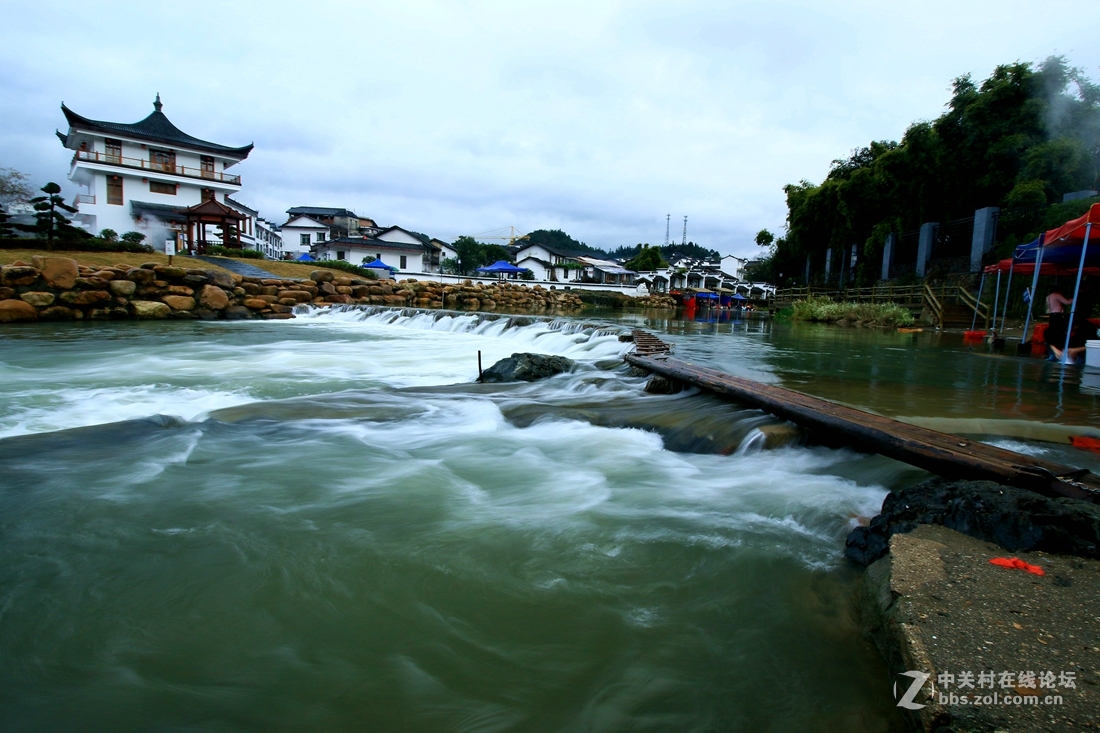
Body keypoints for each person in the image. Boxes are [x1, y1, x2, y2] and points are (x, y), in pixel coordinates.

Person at [1045, 287, 1073, 357]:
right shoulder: (1057, 295)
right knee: (1060, 330)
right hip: (1057, 315)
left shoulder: (1048, 297)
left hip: (1051, 315)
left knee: (1052, 330)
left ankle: (1051, 347)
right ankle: (1060, 346)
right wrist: (1073, 298)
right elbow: (1067, 302)